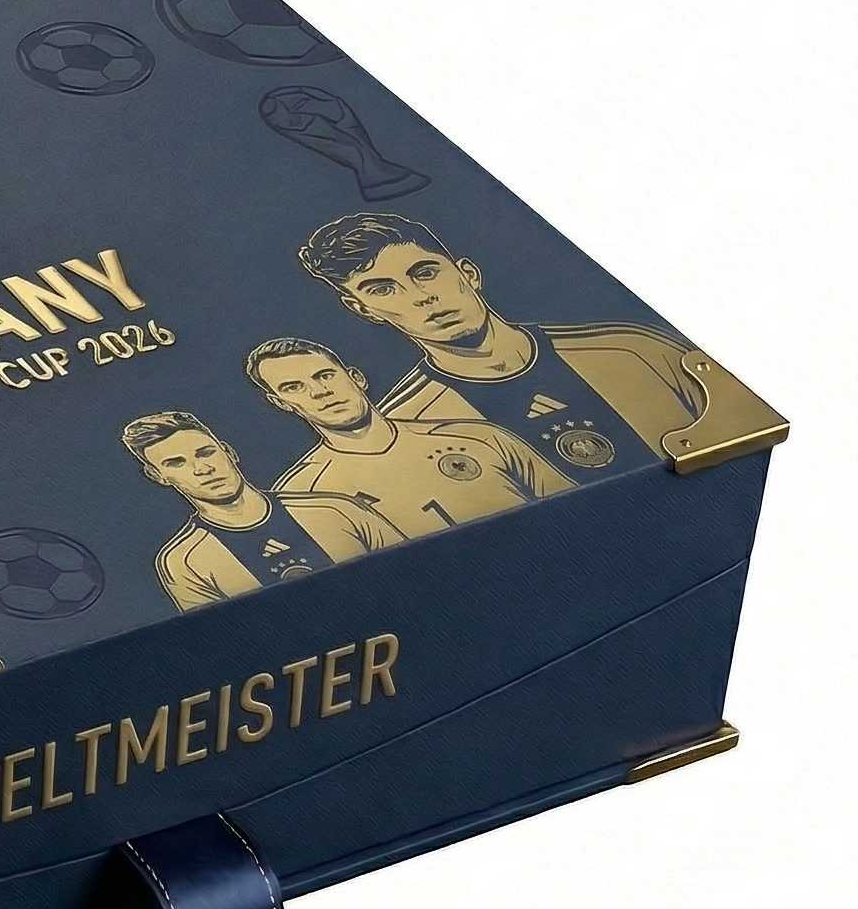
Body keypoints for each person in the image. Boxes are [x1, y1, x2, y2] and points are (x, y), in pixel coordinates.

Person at [297, 213, 699, 478]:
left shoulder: (631, 349)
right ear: (363, 310)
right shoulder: (408, 424)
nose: (421, 297)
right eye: (383, 290)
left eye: (425, 272)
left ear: (468, 273)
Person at [245, 334, 572, 536]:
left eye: (325, 375)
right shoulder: (301, 494)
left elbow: (571, 510)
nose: (319, 392)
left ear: (356, 377)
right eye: (294, 387)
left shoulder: (477, 437)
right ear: (280, 403)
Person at [122, 409, 403, 613]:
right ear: (158, 476)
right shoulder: (185, 562)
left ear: (228, 452)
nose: (202, 469)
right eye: (176, 463)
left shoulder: (333, 509)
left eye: (206, 453)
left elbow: (408, 573)